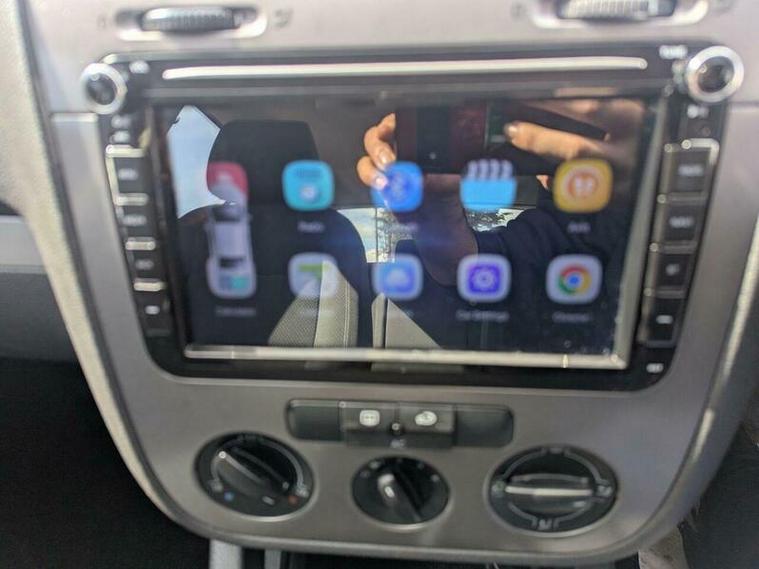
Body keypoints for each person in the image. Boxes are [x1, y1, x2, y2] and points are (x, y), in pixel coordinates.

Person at [356, 100, 646, 351]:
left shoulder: (592, 215)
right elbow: (473, 267)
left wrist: (651, 177)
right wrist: (437, 210)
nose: (545, 147)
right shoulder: (569, 225)